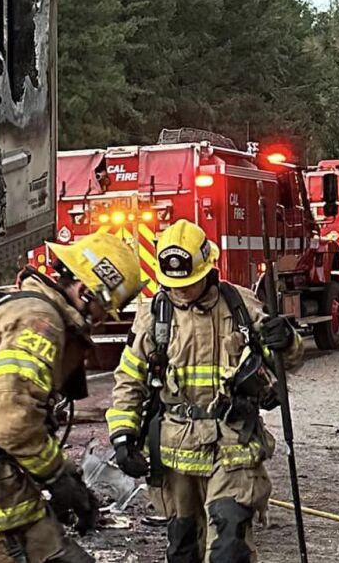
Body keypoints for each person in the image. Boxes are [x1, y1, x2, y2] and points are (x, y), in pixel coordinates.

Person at [0, 232, 143, 563]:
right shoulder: (39, 324)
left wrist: (70, 483)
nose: (103, 319)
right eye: (105, 308)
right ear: (87, 291)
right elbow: (10, 420)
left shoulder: (28, 308)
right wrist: (59, 477)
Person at [104, 219, 302, 563]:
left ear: (208, 268)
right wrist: (122, 436)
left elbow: (284, 359)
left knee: (229, 548)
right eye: (173, 284)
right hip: (174, 454)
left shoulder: (240, 305)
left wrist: (285, 340)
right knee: (183, 551)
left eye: (189, 283)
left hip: (233, 446)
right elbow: (130, 378)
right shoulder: (154, 315)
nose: (180, 291)